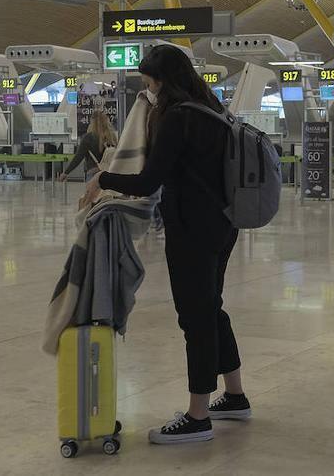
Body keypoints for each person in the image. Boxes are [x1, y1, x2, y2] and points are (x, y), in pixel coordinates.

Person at [83, 45, 249, 445]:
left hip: (192, 228)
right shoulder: (214, 110)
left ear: (162, 80)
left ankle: (197, 416)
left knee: (195, 317)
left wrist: (103, 180)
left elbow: (147, 181)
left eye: (149, 81)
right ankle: (235, 396)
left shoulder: (176, 117)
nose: (148, 89)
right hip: (225, 225)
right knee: (212, 307)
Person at [60, 108, 117, 182]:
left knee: (92, 193)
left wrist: (66, 172)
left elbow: (78, 157)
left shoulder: (88, 137)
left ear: (92, 122)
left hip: (93, 173)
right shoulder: (112, 137)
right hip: (110, 172)